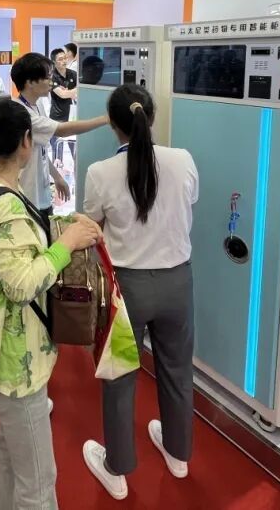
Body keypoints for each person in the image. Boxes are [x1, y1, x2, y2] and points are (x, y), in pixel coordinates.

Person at [0, 99, 101, 509]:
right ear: (26, 141)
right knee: (39, 482)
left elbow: (6, 244)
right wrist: (66, 244)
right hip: (13, 354)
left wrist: (58, 229)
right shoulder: (6, 203)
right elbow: (22, 284)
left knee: (11, 452)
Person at [80, 85, 199, 500]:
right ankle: (179, 454)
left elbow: (91, 228)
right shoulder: (183, 160)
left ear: (112, 124)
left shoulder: (100, 172)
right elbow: (188, 204)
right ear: (152, 117)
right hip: (177, 283)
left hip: (126, 288)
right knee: (178, 370)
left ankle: (117, 467)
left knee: (120, 375)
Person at [10, 52, 109, 222]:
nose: (51, 81)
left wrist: (57, 177)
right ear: (30, 82)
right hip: (28, 196)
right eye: (46, 77)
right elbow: (62, 130)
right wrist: (106, 119)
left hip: (41, 195)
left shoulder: (37, 105)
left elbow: (40, 150)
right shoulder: (21, 113)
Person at [49, 48, 78, 162]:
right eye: (60, 59)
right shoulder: (52, 77)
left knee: (74, 149)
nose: (64, 61)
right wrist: (73, 92)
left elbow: (81, 91)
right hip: (57, 118)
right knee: (57, 154)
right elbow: (62, 95)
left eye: (65, 58)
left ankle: (76, 170)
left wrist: (70, 92)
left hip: (72, 118)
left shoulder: (73, 74)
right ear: (54, 62)